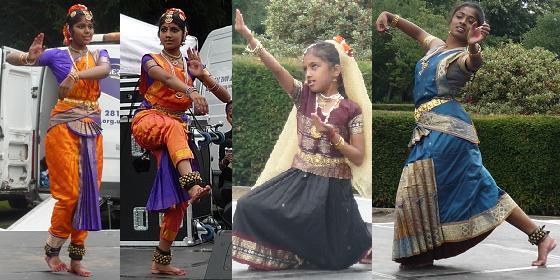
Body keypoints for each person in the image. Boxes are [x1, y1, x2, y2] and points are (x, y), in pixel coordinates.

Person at [375, 2, 557, 268]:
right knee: (480, 185)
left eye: (471, 20)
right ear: (451, 19)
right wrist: (390, 17)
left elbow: (473, 62)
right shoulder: (436, 45)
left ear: (476, 28)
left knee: (414, 188)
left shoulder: (461, 56)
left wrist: (473, 45)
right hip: (429, 131)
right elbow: (416, 33)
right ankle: (540, 237)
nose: (463, 21)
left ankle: (422, 250)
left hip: (447, 132)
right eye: (459, 16)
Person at [231, 9, 372, 270]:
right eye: (305, 68)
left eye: (314, 67)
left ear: (336, 71)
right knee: (249, 204)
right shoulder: (303, 96)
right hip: (299, 179)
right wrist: (250, 38)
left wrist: (333, 135)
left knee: (332, 253)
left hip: (332, 189)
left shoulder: (351, 110)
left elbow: (359, 156)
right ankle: (286, 253)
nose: (307, 73)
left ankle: (352, 236)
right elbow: (276, 70)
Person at [6, 4, 110, 277]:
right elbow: (9, 59)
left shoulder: (99, 53)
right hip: (63, 126)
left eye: (90, 26)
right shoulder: (56, 55)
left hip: (92, 126)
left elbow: (105, 71)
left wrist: (75, 75)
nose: (87, 31)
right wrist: (28, 57)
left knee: (89, 193)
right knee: (69, 194)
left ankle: (76, 257)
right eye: (81, 26)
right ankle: (52, 251)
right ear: (69, 30)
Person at [130, 8, 231, 276]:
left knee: (178, 205)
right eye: (164, 30)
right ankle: (193, 183)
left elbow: (224, 98)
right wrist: (189, 89)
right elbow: (164, 78)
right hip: (148, 121)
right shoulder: (150, 59)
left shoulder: (190, 67)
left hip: (175, 136)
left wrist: (202, 74)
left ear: (184, 34)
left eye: (174, 30)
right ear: (159, 34)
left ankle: (160, 260)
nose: (168, 34)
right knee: (174, 127)